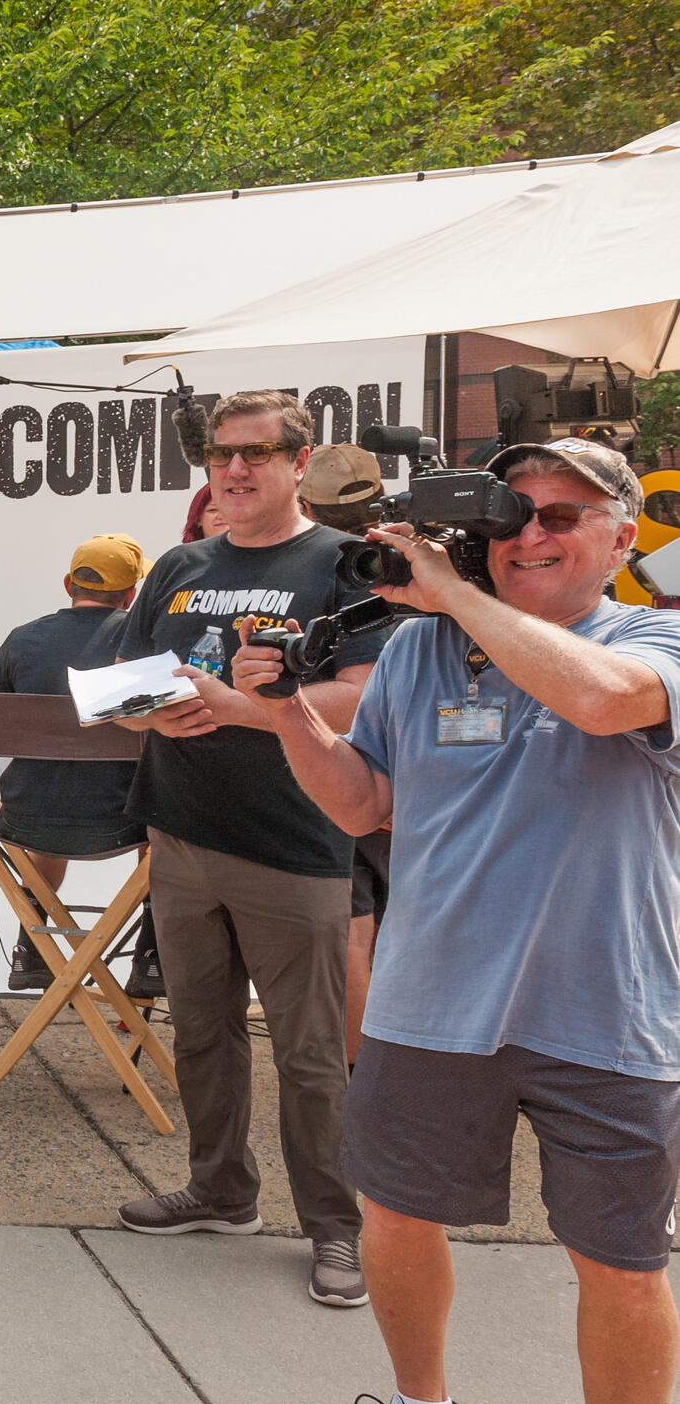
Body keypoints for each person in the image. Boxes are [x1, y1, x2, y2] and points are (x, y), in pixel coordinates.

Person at [234, 437, 680, 1404]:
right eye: (510, 511)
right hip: (428, 1001)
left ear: (621, 537)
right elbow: (360, 805)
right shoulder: (420, 654)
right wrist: (289, 707)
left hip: (608, 1008)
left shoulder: (652, 636)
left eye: (562, 515)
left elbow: (601, 700)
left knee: (620, 1263)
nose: (529, 531)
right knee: (394, 1218)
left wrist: (446, 593)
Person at [110, 395, 391, 1309]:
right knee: (200, 1034)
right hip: (181, 834)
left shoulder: (342, 565)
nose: (235, 471)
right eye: (222, 455)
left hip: (294, 845)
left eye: (258, 454)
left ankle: (336, 1227)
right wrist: (147, 707)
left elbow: (371, 699)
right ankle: (221, 1189)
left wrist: (239, 708)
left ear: (299, 461)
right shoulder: (181, 564)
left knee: (311, 1056)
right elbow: (121, 687)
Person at [0, 534, 154, 991]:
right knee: (165, 819)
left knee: (48, 790)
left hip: (26, 819)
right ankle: (151, 955)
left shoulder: (23, 638)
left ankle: (31, 945)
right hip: (124, 820)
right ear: (131, 594)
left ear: (68, 583)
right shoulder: (142, 640)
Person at [298, 441, 394, 1061]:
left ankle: (365, 1084)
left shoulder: (323, 569)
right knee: (380, 932)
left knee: (354, 933)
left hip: (342, 775)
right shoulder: (409, 560)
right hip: (414, 773)